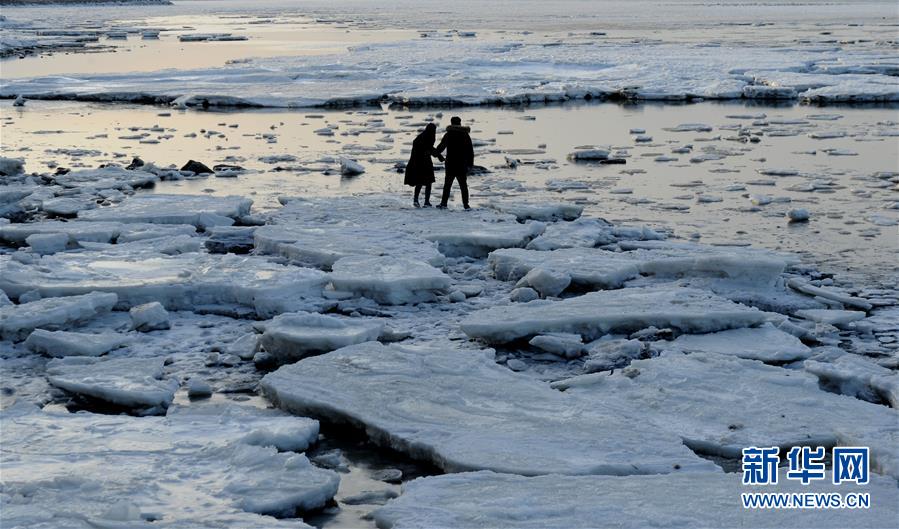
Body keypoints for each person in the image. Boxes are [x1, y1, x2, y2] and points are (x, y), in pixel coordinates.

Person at [435, 116, 474, 210]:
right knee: (463, 186)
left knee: (447, 185)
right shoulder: (465, 135)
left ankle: (444, 204)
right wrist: (470, 165)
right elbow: (470, 151)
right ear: (460, 123)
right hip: (462, 164)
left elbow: (441, 147)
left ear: (451, 123)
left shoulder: (448, 134)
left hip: (451, 164)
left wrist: (434, 152)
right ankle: (466, 205)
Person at [403, 123, 443, 208]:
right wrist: (438, 155)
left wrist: (438, 155)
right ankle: (423, 201)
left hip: (420, 162)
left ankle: (420, 200)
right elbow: (429, 148)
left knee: (421, 182)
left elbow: (429, 148)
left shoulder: (422, 137)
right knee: (425, 182)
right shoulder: (426, 138)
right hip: (421, 163)